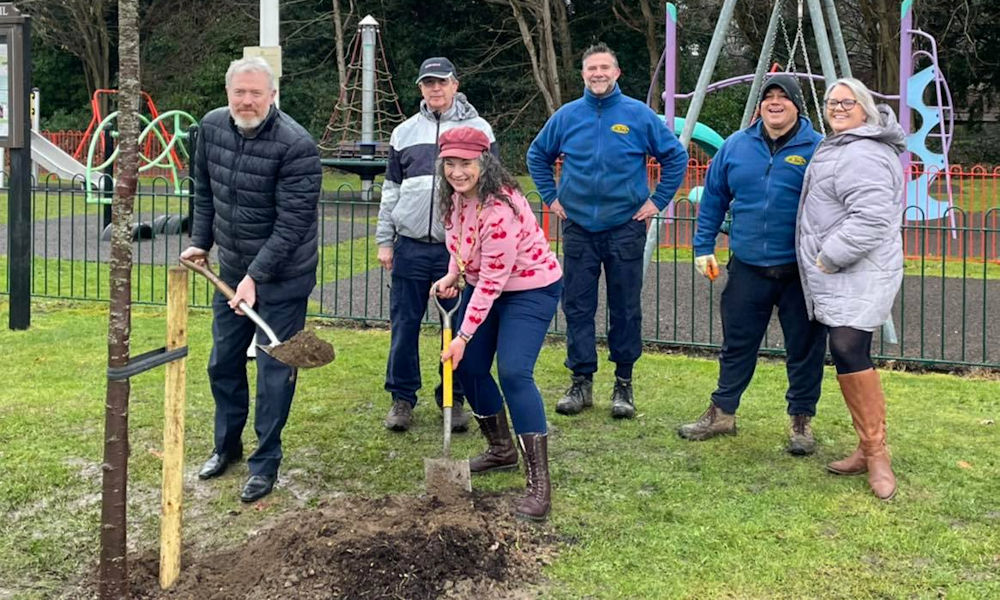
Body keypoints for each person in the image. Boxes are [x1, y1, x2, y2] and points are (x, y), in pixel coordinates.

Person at [180, 56, 321, 503]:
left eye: (255, 93)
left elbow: (293, 223)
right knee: (222, 361)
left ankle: (265, 463)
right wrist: (201, 241)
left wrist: (256, 277)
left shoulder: (296, 144)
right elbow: (203, 189)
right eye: (239, 92)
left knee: (274, 369)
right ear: (228, 94)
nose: (246, 101)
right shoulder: (211, 128)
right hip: (232, 272)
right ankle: (227, 447)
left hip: (283, 277)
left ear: (272, 95)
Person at [526, 43, 688, 419]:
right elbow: (537, 154)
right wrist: (551, 198)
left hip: (625, 228)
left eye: (605, 68)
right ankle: (581, 382)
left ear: (617, 73)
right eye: (591, 69)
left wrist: (657, 201)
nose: (598, 74)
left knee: (626, 308)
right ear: (583, 74)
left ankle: (624, 384)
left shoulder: (637, 115)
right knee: (578, 306)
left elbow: (675, 156)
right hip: (580, 227)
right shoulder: (567, 116)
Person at [679, 74, 827, 455]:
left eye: (784, 97)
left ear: (798, 105)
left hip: (801, 271)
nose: (775, 103)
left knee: (805, 348)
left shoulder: (819, 149)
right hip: (747, 266)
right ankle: (723, 413)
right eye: (768, 97)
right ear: (759, 105)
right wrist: (702, 246)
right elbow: (713, 199)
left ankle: (801, 420)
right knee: (737, 345)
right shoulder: (735, 147)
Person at [431, 126, 563, 521]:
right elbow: (464, 249)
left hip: (530, 288)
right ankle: (501, 450)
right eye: (450, 163)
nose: (457, 172)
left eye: (466, 163)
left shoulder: (499, 208)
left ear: (484, 163)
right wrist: (453, 274)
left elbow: (493, 280)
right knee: (468, 367)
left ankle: (539, 484)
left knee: (514, 371)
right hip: (485, 282)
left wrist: (463, 335)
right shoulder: (453, 200)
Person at [376, 56, 497, 433]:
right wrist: (385, 240)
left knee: (459, 326)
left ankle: (453, 396)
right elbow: (390, 191)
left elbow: (492, 192)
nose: (435, 89)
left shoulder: (479, 130)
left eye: (442, 82)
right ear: (421, 89)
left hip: (458, 250)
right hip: (410, 244)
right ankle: (402, 397)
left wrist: (477, 247)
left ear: (455, 85)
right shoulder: (404, 132)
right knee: (404, 325)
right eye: (428, 83)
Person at [797, 78, 905, 500]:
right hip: (845, 270)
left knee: (847, 346)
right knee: (847, 350)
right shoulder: (843, 145)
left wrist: (827, 257)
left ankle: (877, 453)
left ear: (865, 109)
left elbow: (873, 218)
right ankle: (866, 446)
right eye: (831, 102)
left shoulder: (863, 152)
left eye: (847, 102)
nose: (837, 108)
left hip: (856, 267)